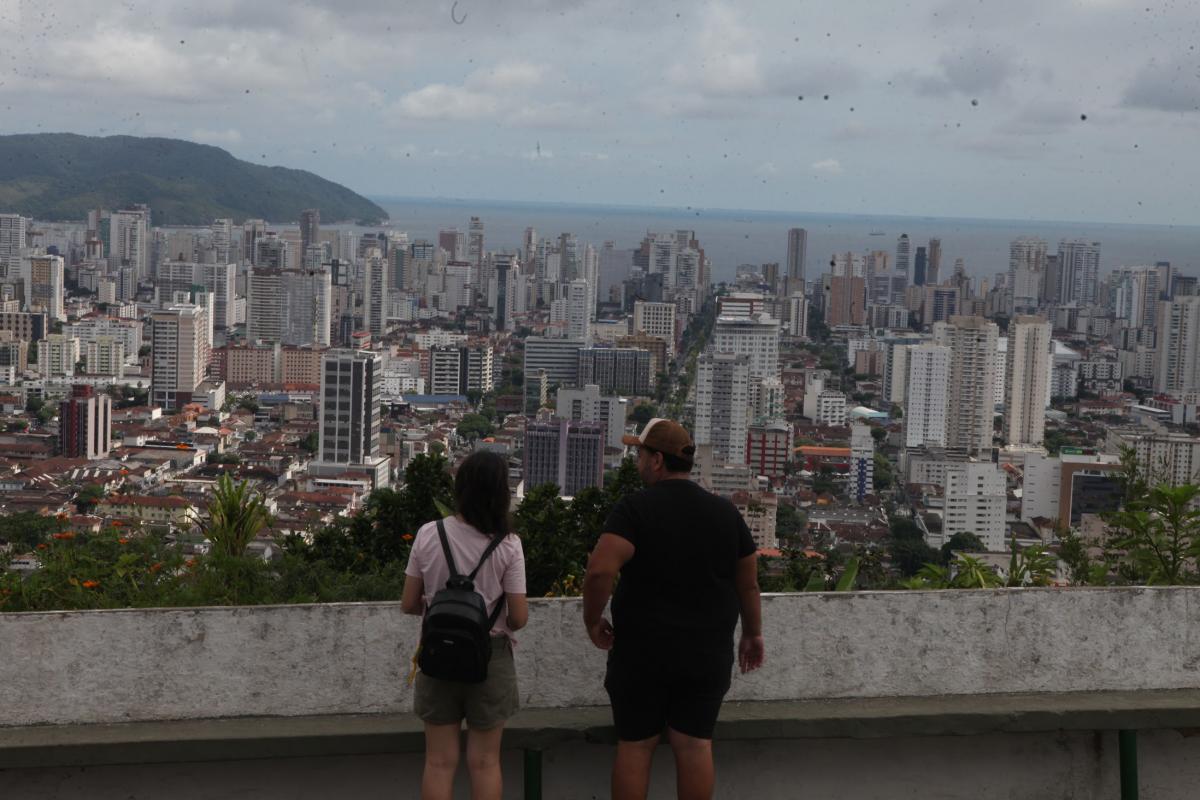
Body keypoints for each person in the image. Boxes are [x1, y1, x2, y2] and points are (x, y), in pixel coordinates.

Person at [582, 418, 764, 800]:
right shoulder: (725, 513)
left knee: (635, 745)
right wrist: (752, 633)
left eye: (640, 454)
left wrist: (593, 619)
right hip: (705, 655)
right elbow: (748, 582)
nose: (637, 461)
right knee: (695, 745)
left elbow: (600, 570)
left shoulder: (635, 510)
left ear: (657, 462)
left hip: (641, 654)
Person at [402, 451, 528, 800]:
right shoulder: (509, 545)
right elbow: (517, 617)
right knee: (485, 762)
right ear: (502, 493)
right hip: (490, 657)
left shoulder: (429, 534)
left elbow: (409, 603)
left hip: (437, 655)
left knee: (439, 763)